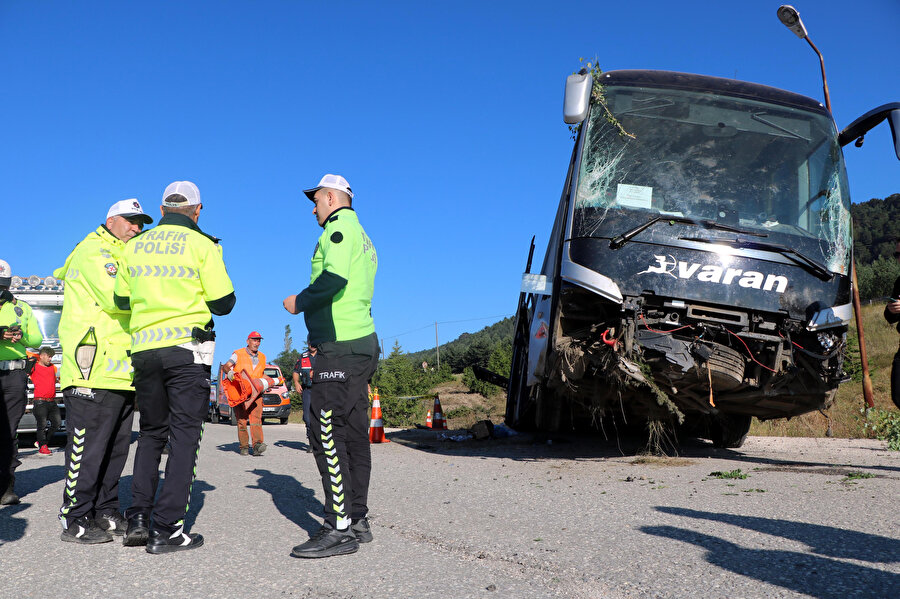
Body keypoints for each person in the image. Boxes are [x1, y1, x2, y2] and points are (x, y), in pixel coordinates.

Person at [115, 180, 235, 553]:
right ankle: (167, 529)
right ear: (197, 211)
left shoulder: (135, 246)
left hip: (145, 351)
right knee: (184, 436)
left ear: (163, 209)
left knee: (151, 433)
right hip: (186, 351)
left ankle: (137, 516)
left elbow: (121, 300)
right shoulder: (204, 245)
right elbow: (224, 302)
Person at [282, 173, 378, 558]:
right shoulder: (363, 235)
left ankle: (338, 528)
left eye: (317, 200)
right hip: (361, 343)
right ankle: (357, 518)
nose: (314, 208)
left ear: (333, 198)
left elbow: (334, 278)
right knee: (353, 434)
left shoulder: (338, 229)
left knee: (325, 432)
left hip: (340, 347)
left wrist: (299, 301)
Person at [53, 199, 152, 543]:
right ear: (111, 220)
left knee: (114, 449)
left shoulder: (124, 254)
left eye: (141, 223)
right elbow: (117, 299)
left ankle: (105, 511)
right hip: (91, 369)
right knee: (88, 449)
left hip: (121, 371)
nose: (137, 228)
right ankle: (75, 518)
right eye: (131, 221)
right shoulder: (94, 252)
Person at [0, 259, 43, 506]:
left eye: (3, 285)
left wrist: (20, 335)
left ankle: (6, 487)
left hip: (15, 376)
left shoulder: (21, 308)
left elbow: (36, 340)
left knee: (8, 432)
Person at [222, 332, 268, 457]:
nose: (257, 343)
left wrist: (267, 383)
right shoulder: (238, 354)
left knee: (256, 420)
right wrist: (230, 373)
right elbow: (226, 366)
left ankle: (258, 445)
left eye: (259, 340)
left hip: (256, 393)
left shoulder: (263, 357)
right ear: (248, 341)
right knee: (242, 421)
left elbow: (261, 374)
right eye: (254, 340)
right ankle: (244, 447)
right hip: (240, 393)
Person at [29, 346, 60, 456]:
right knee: (41, 425)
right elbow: (28, 354)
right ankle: (43, 447)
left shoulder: (52, 367)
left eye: (51, 357)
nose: (50, 359)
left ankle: (42, 442)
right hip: (40, 401)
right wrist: (36, 357)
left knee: (57, 423)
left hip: (52, 401)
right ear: (41, 356)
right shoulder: (34, 367)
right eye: (48, 356)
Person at [292, 343, 317, 452]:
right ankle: (311, 442)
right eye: (310, 343)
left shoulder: (324, 356)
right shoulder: (303, 356)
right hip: (307, 390)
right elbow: (296, 371)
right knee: (307, 417)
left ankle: (320, 443)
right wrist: (296, 383)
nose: (313, 345)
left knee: (321, 417)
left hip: (321, 390)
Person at [885, 237, 900, 411]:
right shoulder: (899, 282)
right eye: (896, 254)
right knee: (897, 394)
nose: (898, 258)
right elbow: (889, 317)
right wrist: (892, 309)